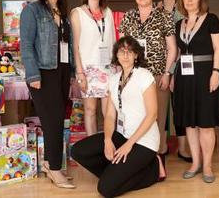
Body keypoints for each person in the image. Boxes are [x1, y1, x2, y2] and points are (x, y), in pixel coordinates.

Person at [71, 36, 166, 198]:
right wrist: (108, 140)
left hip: (144, 142)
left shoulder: (144, 76)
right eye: (122, 51)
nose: (126, 54)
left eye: (130, 51)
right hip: (122, 135)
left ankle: (154, 170)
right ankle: (118, 173)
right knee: (78, 151)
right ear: (117, 55)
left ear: (136, 55)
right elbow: (109, 115)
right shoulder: (113, 80)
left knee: (105, 189)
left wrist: (129, 145)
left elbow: (152, 115)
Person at [20, 0, 75, 189]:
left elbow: (67, 46)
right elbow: (26, 45)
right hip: (42, 72)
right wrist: (33, 75)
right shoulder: (32, 10)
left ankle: (51, 164)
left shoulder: (62, 13)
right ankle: (54, 169)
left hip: (60, 71)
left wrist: (70, 73)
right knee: (52, 121)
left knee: (58, 120)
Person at [119, 0, 177, 157]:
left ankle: (158, 155)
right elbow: (123, 47)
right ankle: (138, 155)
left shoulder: (164, 16)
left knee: (157, 118)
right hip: (134, 77)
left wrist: (168, 74)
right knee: (136, 117)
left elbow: (172, 48)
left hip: (158, 76)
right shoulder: (128, 16)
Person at [171, 0, 219, 183]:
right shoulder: (179, 24)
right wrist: (174, 75)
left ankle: (208, 165)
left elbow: (218, 48)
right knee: (190, 123)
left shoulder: (211, 19)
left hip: (206, 74)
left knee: (206, 123)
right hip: (185, 76)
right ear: (182, 0)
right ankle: (195, 162)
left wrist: (216, 73)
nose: (190, 0)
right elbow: (178, 54)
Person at [70, 0, 116, 136]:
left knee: (109, 112)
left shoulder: (108, 12)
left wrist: (116, 66)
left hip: (108, 68)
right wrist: (79, 72)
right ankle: (92, 149)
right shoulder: (77, 13)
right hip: (88, 69)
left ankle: (109, 145)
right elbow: (75, 46)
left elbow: (112, 40)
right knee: (90, 110)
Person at [157, 0, 192, 162]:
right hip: (158, 67)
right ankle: (161, 145)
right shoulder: (156, 10)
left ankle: (183, 148)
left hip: (179, 67)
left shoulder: (184, 13)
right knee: (161, 107)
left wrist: (171, 72)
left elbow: (181, 45)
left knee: (180, 108)